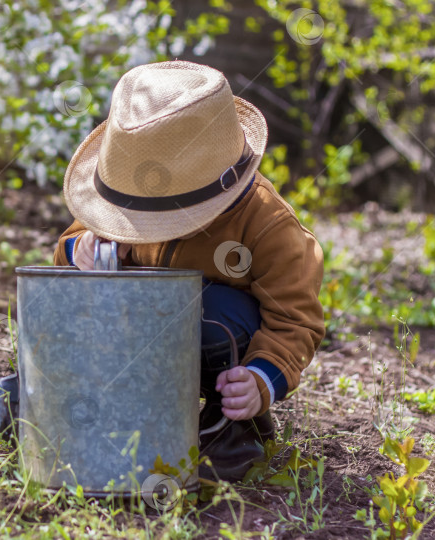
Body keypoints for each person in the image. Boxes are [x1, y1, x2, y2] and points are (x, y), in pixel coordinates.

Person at [52, 61, 325, 481]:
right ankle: (92, 407)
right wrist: (81, 250)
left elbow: (295, 318)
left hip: (219, 352)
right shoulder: (127, 199)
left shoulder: (267, 226)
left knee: (215, 309)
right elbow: (69, 248)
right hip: (134, 346)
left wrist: (259, 379)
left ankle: (232, 427)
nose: (140, 228)